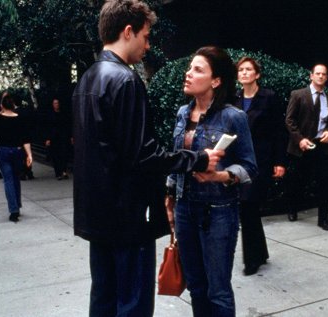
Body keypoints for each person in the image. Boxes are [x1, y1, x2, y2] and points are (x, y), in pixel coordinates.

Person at [72, 2, 223, 316]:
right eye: (145, 35)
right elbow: (144, 154)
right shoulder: (126, 80)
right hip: (127, 216)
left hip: (96, 214)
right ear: (128, 32)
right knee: (132, 303)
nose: (148, 44)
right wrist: (196, 159)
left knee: (103, 298)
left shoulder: (87, 79)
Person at [166, 46, 258, 317]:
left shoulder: (233, 116)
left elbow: (249, 166)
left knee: (217, 291)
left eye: (198, 69)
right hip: (185, 209)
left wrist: (220, 176)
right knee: (196, 286)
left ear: (216, 81)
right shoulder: (183, 113)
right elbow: (177, 159)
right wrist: (170, 195)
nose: (188, 73)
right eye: (189, 67)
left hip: (218, 212)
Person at [235, 57, 287, 275]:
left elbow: (279, 131)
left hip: (262, 161)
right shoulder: (234, 99)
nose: (244, 73)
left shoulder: (269, 97)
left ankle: (251, 260)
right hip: (240, 161)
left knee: (248, 205)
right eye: (241, 70)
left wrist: (280, 161)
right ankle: (261, 252)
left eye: (249, 69)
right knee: (249, 208)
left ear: (257, 75)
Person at [285, 64, 328, 231]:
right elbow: (289, 120)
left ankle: (323, 219)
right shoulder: (298, 95)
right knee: (299, 182)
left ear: (326, 77)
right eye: (318, 73)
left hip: (322, 147)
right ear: (311, 76)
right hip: (303, 147)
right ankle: (292, 209)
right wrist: (299, 139)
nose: (321, 76)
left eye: (324, 74)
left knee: (325, 183)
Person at [0, 91, 33, 222]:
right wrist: (29, 154)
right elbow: (25, 139)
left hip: (3, 152)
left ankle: (14, 210)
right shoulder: (20, 118)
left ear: (2, 105)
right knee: (16, 178)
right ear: (13, 105)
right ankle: (17, 205)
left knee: (8, 180)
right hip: (18, 151)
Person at [45, 98, 72, 180]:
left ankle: (63, 171)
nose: (56, 105)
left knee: (64, 154)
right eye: (55, 103)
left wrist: (71, 136)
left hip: (63, 136)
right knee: (56, 156)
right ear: (53, 105)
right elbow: (48, 127)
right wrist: (48, 139)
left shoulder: (63, 114)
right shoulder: (50, 115)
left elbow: (68, 125)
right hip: (54, 138)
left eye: (57, 103)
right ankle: (58, 173)